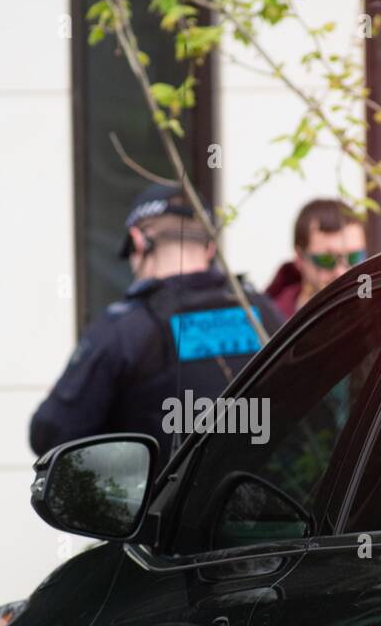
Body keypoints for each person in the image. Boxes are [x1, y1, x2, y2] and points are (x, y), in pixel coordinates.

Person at [29, 183, 282, 462]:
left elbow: (50, 436)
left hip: (164, 505)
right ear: (210, 247)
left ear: (138, 240)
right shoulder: (262, 313)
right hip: (263, 502)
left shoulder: (125, 330)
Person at [265, 198, 367, 320]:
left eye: (354, 257)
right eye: (327, 259)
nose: (342, 272)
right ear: (299, 259)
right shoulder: (265, 322)